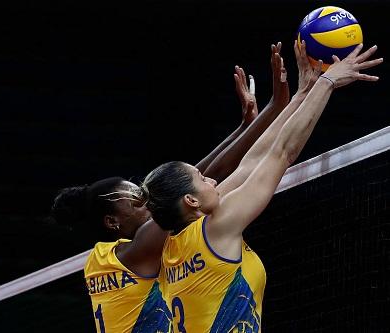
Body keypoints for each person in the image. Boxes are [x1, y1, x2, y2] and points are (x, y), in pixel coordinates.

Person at [140, 42, 382, 333]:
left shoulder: (173, 246)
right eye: (202, 179)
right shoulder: (218, 227)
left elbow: (250, 163)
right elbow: (282, 153)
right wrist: (328, 82)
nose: (213, 179)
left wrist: (303, 93)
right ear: (191, 200)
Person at [51, 43, 291, 333]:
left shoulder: (98, 261)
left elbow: (193, 177)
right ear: (112, 221)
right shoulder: (141, 249)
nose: (147, 201)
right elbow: (200, 177)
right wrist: (273, 110)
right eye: (138, 202)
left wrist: (245, 127)